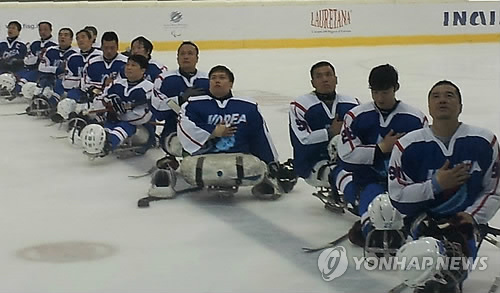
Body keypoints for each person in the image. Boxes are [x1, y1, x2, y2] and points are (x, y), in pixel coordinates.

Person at [388, 80, 500, 292]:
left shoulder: (484, 141)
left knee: (449, 275)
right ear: (429, 106)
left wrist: (472, 216)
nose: (442, 100)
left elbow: (494, 190)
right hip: (422, 221)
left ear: (460, 105)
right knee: (426, 267)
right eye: (436, 96)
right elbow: (398, 195)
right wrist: (435, 185)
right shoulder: (408, 145)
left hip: (465, 226)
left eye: (449, 95)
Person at [149, 65, 285, 199]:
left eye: (222, 77)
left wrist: (271, 162)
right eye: (213, 78)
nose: (217, 81)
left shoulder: (247, 106)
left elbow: (260, 136)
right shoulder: (193, 104)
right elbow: (185, 128)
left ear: (231, 83)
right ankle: (165, 177)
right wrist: (213, 131)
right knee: (186, 162)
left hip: (240, 160)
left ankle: (267, 178)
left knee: (256, 166)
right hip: (201, 162)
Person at [337, 64, 428, 246]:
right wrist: (380, 149)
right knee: (371, 198)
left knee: (413, 211)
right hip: (367, 182)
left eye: (385, 92)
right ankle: (370, 230)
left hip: (403, 185)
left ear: (396, 87)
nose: (379, 97)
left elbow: (425, 159)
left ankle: (420, 234)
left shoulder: (415, 118)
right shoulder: (356, 116)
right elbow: (346, 156)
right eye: (375, 92)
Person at [289, 61, 359, 209]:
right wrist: (329, 133)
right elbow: (303, 140)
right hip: (314, 163)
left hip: (348, 158)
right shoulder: (301, 105)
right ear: (313, 83)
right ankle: (357, 199)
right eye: (319, 76)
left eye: (328, 75)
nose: (325, 79)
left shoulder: (353, 103)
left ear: (336, 79)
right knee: (344, 173)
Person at [79, 54, 154, 157]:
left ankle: (109, 143)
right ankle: (101, 142)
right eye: (127, 64)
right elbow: (98, 100)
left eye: (133, 65)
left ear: (143, 70)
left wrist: (118, 114)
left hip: (141, 129)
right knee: (106, 126)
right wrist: (107, 103)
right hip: (117, 121)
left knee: (125, 126)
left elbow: (143, 116)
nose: (128, 68)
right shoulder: (116, 84)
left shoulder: (149, 88)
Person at [151, 41, 209, 168]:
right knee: (178, 145)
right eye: (182, 54)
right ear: (177, 58)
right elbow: (158, 109)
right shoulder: (164, 79)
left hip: (204, 131)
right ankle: (191, 163)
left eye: (190, 53)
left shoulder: (208, 79)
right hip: (173, 131)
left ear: (197, 58)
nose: (186, 57)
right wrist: (180, 100)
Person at [26, 28, 77, 116]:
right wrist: (56, 70)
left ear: (71, 39)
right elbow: (41, 67)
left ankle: (51, 104)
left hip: (66, 82)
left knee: (59, 84)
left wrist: (62, 73)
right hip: (50, 78)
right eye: (60, 35)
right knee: (43, 80)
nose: (62, 37)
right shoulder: (50, 50)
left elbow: (72, 73)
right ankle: (37, 101)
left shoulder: (75, 53)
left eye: (66, 35)